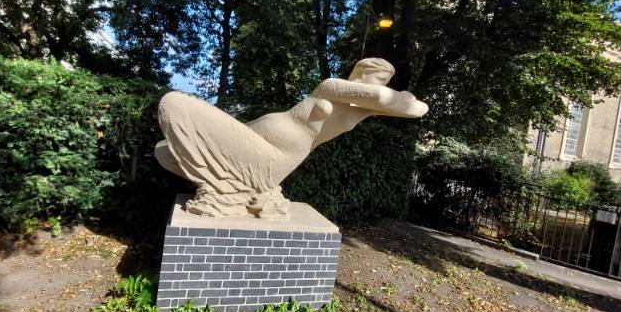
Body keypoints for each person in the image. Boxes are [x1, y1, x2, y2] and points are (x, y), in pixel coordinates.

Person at [155, 58, 428, 219]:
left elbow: (412, 108)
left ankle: (238, 189)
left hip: (275, 158)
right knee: (165, 151)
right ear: (358, 72)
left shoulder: (366, 109)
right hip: (255, 140)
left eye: (382, 80)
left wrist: (402, 100)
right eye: (372, 76)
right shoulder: (331, 86)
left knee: (175, 104)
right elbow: (384, 98)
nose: (375, 84)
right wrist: (399, 98)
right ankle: (230, 189)